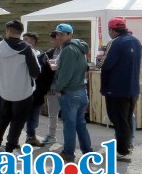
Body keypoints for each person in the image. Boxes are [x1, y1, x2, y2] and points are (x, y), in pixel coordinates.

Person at [0, 20, 40, 154]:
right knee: (18, 121)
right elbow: (35, 71)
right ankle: (10, 148)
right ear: (21, 32)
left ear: (8, 31)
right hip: (22, 91)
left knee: (2, 118)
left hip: (4, 89)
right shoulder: (27, 48)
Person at [100, 17, 142, 160]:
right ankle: (127, 145)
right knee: (127, 118)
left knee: (118, 119)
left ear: (111, 30)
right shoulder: (136, 41)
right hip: (132, 87)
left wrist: (99, 61)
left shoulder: (115, 43)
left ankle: (122, 150)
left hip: (116, 88)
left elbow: (105, 64)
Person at [53, 23, 93, 163]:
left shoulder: (69, 49)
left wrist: (57, 88)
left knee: (69, 125)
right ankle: (88, 153)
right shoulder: (79, 48)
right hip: (81, 91)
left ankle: (68, 153)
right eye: (58, 34)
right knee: (80, 124)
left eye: (62, 34)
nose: (59, 37)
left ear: (70, 35)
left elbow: (66, 74)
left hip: (70, 92)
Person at [22, 32, 53, 147]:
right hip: (21, 91)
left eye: (27, 39)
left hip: (37, 91)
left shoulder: (42, 55)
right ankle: (13, 139)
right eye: (23, 39)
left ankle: (31, 136)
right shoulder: (18, 54)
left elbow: (47, 74)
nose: (24, 41)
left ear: (33, 41)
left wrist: (44, 89)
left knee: (34, 115)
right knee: (20, 116)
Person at [41, 31, 62, 144]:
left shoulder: (68, 51)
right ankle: (51, 135)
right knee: (52, 113)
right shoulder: (50, 52)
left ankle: (69, 138)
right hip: (52, 87)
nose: (51, 42)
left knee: (68, 115)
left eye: (53, 39)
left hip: (66, 88)